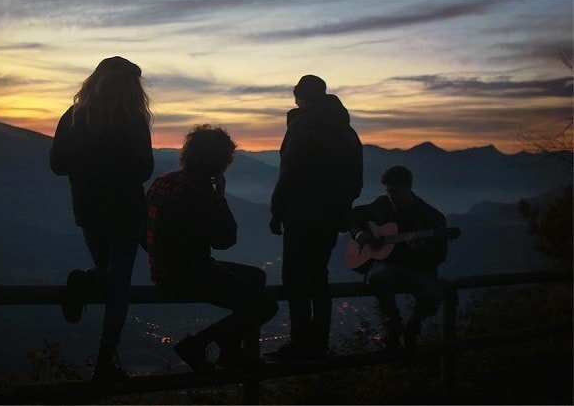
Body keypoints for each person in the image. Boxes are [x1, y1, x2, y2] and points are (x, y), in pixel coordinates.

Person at [50, 56, 154, 381]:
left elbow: (57, 165)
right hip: (126, 210)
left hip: (88, 208)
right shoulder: (133, 119)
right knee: (119, 283)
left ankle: (87, 278)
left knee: (107, 271)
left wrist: (87, 167)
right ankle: (105, 362)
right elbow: (144, 169)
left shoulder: (74, 117)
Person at [145, 125, 278, 374]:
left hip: (164, 269)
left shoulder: (163, 181)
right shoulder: (199, 191)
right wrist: (220, 197)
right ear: (219, 161)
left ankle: (230, 349)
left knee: (256, 277)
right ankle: (199, 344)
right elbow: (225, 240)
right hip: (189, 275)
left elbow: (144, 232)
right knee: (266, 306)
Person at [268, 75, 363, 360]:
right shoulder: (346, 131)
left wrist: (277, 211)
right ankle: (319, 343)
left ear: (299, 97)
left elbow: (290, 174)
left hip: (301, 215)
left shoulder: (303, 127)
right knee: (318, 278)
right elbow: (355, 180)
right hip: (331, 217)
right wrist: (340, 208)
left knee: (295, 279)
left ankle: (300, 343)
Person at [349, 166, 447, 351]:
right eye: (388, 191)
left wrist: (422, 248)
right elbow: (353, 216)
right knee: (379, 276)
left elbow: (439, 256)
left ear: (408, 187)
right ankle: (391, 322)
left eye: (395, 192)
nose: (391, 196)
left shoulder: (431, 217)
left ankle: (413, 326)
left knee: (434, 294)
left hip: (416, 269)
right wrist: (359, 232)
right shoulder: (381, 205)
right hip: (386, 265)